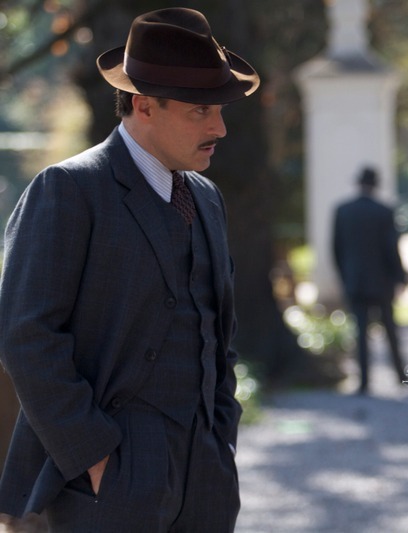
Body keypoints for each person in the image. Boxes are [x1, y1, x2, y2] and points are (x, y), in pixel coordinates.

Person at [0, 8, 259, 532]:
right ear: (144, 105)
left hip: (207, 477)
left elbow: (217, 334)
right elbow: (25, 336)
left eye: (220, 111)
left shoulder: (207, 198)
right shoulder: (68, 190)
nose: (220, 128)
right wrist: (96, 459)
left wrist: (219, 436)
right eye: (200, 112)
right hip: (110, 477)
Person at [333, 167, 408, 395]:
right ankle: (400, 376)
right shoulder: (384, 211)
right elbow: (391, 248)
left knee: (360, 332)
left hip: (355, 280)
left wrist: (345, 276)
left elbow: (336, 248)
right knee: (390, 331)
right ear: (376, 184)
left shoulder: (343, 210)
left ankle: (364, 381)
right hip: (381, 281)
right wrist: (400, 276)